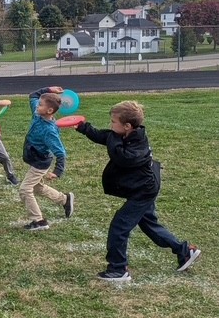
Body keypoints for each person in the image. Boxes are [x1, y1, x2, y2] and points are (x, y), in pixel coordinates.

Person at [75, 100, 201, 282]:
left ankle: (118, 269)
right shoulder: (125, 134)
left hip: (143, 191)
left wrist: (111, 138)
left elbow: (121, 157)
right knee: (149, 224)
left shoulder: (136, 147)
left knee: (119, 227)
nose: (111, 126)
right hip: (142, 187)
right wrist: (84, 127)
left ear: (127, 126)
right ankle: (185, 251)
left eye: (113, 122)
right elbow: (105, 136)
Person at [19, 87, 74, 230]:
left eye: (41, 105)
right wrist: (49, 89)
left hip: (40, 162)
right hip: (35, 158)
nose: (37, 105)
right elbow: (33, 94)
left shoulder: (49, 131)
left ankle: (38, 221)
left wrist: (57, 171)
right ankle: (64, 199)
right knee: (38, 187)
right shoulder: (38, 114)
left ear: (50, 111)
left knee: (25, 189)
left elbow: (60, 153)